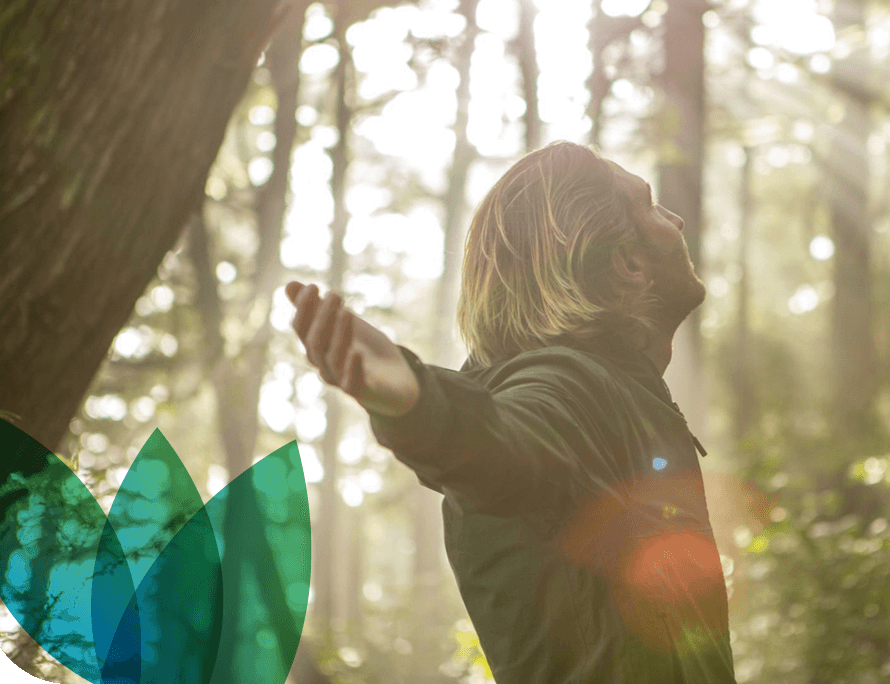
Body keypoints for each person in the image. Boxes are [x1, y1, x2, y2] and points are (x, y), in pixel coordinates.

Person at [286, 140, 736, 683]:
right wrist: (417, 405)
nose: (677, 218)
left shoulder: (618, 390)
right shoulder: (571, 386)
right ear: (628, 262)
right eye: (651, 206)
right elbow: (507, 443)